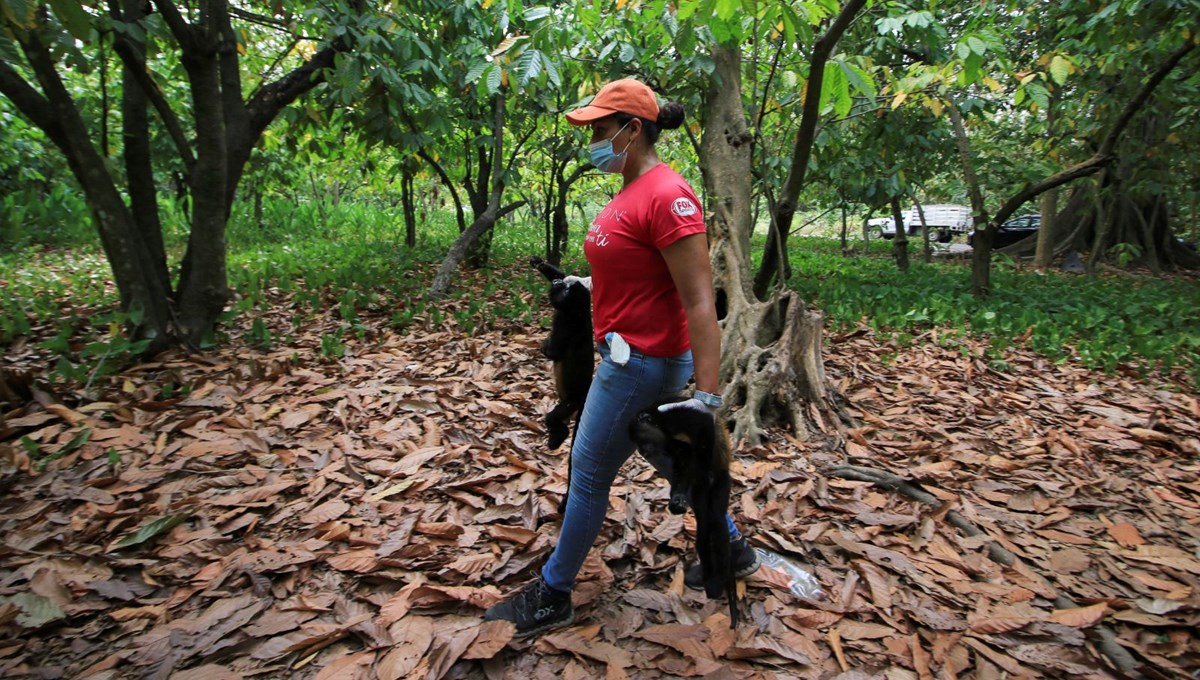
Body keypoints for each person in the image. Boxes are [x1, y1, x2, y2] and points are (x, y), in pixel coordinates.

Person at [484, 78, 758, 637]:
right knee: (666, 459)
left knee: (587, 475)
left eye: (600, 130)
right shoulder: (630, 189)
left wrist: (707, 401)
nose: (591, 140)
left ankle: (554, 594)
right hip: (628, 355)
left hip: (640, 366)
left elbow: (700, 302)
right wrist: (582, 284)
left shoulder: (667, 195)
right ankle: (729, 547)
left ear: (633, 130)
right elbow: (635, 273)